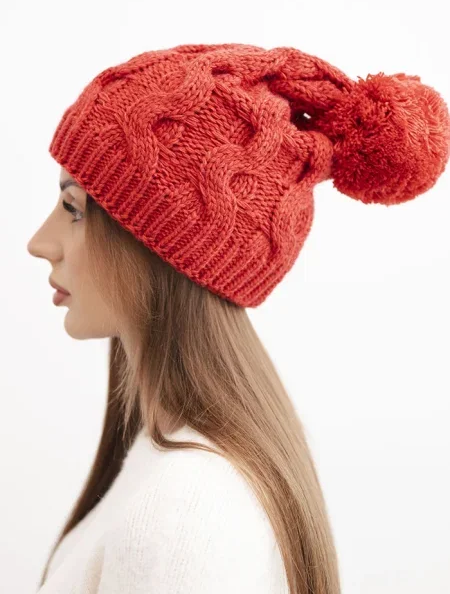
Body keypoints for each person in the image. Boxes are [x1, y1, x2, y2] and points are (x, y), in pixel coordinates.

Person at [27, 42, 450, 594]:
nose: (41, 243)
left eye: (74, 209)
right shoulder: (168, 470)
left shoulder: (181, 513)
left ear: (166, 249)